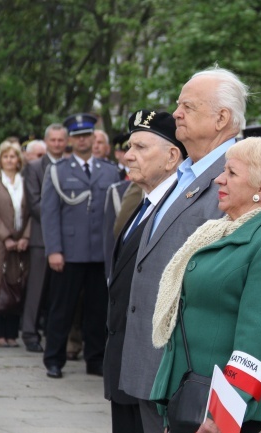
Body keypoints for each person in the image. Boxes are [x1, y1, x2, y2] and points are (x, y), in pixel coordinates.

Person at [119, 66, 250, 432]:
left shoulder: (236, 177)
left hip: (189, 371)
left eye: (187, 106)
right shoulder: (187, 173)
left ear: (221, 117)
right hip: (153, 362)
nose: (176, 113)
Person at [150, 136, 261, 433]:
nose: (219, 179)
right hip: (190, 395)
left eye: (232, 173)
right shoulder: (220, 230)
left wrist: (221, 415)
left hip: (221, 411)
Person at [104, 110, 187, 433]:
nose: (128, 156)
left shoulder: (175, 209)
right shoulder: (147, 202)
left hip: (151, 371)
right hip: (125, 363)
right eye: (129, 146)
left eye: (140, 147)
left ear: (171, 157)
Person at [41, 113, 120, 379]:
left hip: (100, 253)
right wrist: (54, 250)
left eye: (87, 135)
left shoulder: (110, 171)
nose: (83, 140)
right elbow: (49, 214)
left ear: (94, 137)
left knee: (97, 311)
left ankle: (94, 359)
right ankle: (54, 359)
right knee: (61, 309)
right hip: (69, 253)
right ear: (70, 140)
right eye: (77, 136)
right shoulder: (57, 171)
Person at [21, 123, 68, 352]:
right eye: (54, 140)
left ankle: (54, 334)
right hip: (41, 237)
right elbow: (34, 203)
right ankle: (29, 333)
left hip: (68, 240)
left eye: (61, 140)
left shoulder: (71, 166)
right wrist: (62, 218)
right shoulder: (34, 167)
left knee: (60, 292)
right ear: (47, 141)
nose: (57, 144)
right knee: (36, 288)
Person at [0, 141, 31, 348]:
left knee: (16, 287)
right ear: (0, 160)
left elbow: (32, 213)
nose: (10, 160)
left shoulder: (26, 182)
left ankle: (12, 334)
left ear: (19, 160)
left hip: (21, 244)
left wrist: (25, 237)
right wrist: (6, 237)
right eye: (6, 157)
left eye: (13, 156)